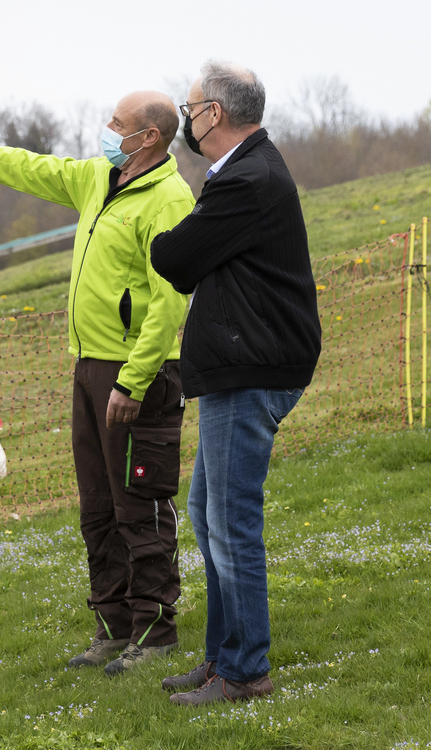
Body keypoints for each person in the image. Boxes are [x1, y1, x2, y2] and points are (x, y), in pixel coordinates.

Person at [0, 91, 194, 676]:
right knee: (98, 507)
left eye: (118, 125)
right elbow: (27, 166)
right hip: (88, 368)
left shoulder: (169, 200)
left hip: (137, 374)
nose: (107, 132)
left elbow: (168, 302)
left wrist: (132, 384)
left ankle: (156, 631)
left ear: (151, 136)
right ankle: (113, 625)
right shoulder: (98, 179)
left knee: (140, 504)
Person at [150, 62, 321, 705]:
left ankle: (246, 671)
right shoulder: (249, 170)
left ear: (214, 114)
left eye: (190, 108)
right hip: (243, 363)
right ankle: (224, 657)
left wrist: (162, 234)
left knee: (230, 521)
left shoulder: (245, 179)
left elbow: (176, 259)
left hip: (250, 368)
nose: (186, 119)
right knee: (208, 512)